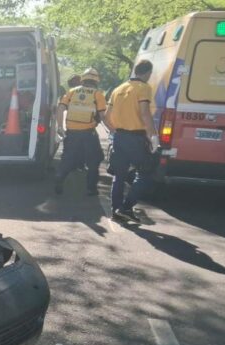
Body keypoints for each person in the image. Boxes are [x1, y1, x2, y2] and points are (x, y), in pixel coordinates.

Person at [104, 60, 158, 223]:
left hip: (119, 137)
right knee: (145, 172)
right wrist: (152, 135)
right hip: (136, 138)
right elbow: (145, 113)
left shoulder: (118, 89)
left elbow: (106, 117)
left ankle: (116, 210)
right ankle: (127, 207)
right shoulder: (144, 88)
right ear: (148, 72)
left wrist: (115, 131)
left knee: (119, 175)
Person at [54, 68, 107, 195]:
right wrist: (112, 129)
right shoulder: (97, 94)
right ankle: (91, 189)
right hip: (88, 133)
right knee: (94, 161)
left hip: (71, 132)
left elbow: (60, 109)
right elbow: (102, 116)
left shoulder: (71, 92)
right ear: (96, 81)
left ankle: (60, 176)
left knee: (68, 159)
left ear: (83, 79)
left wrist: (60, 127)